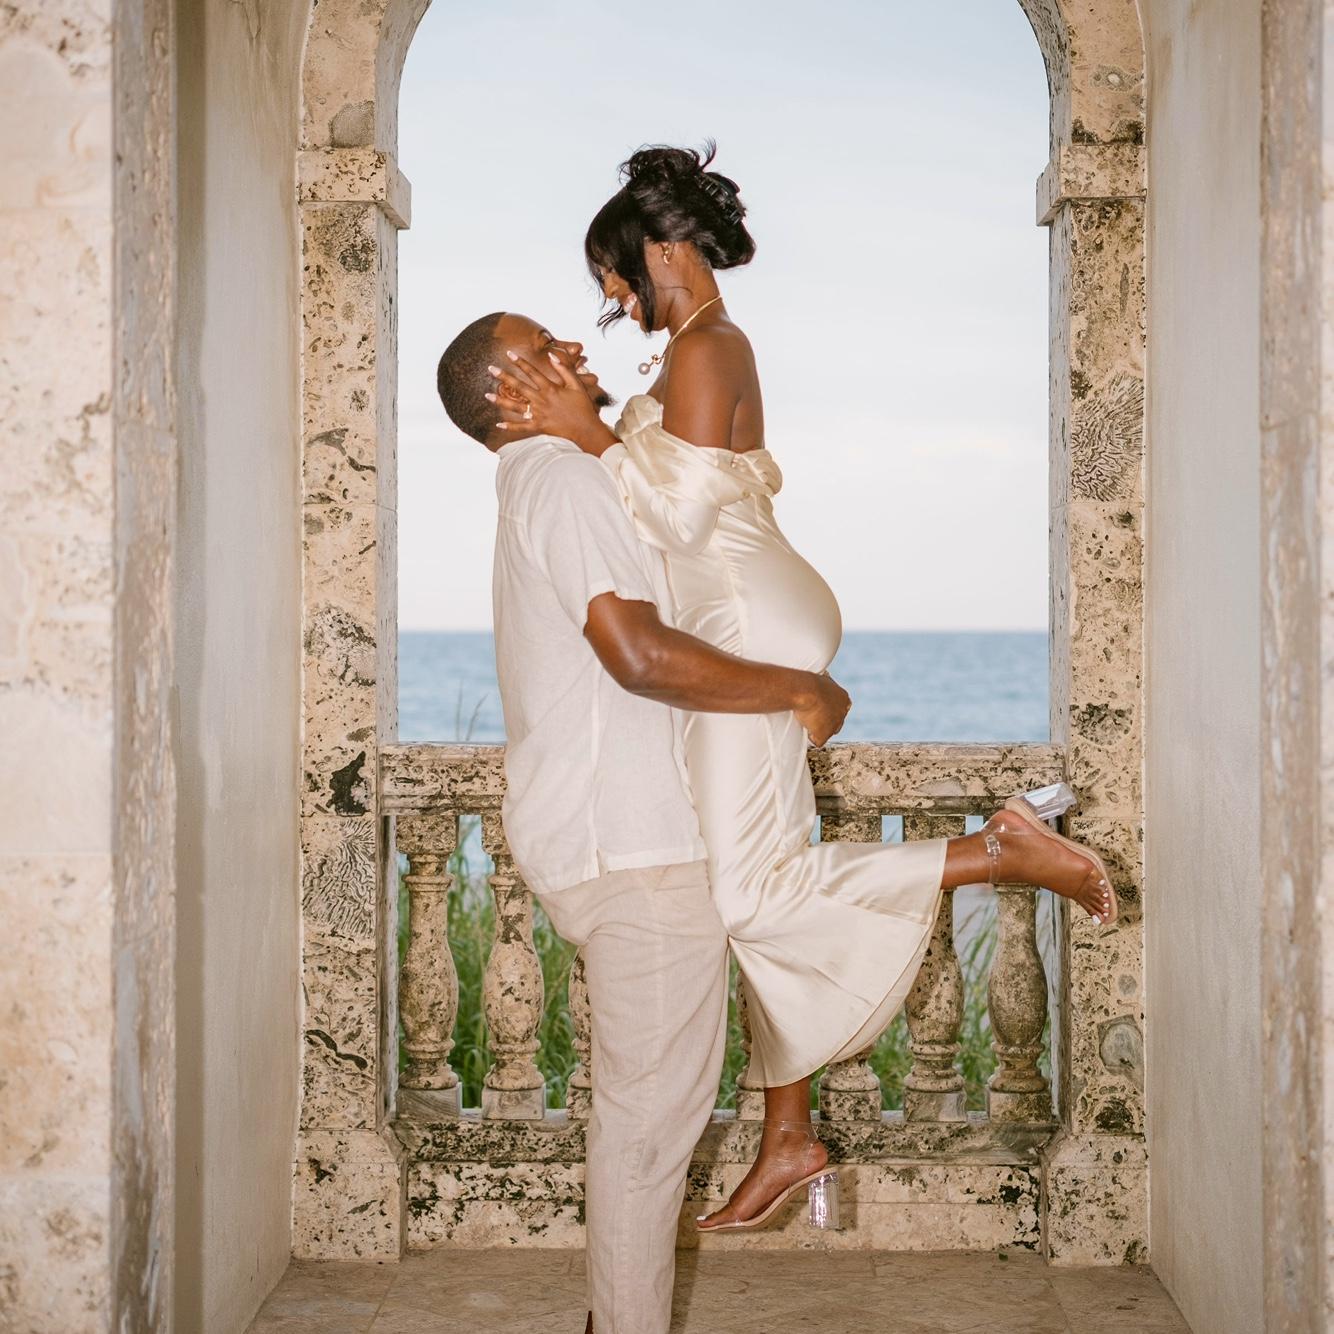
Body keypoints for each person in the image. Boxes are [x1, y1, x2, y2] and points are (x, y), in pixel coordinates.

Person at [484, 142, 1117, 1242]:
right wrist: (584, 434)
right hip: (738, 610)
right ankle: (788, 1130)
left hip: (742, 612)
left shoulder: (708, 346)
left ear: (661, 249)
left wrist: (583, 432)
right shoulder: (691, 349)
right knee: (743, 870)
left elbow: (676, 520)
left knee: (743, 893)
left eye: (614, 274)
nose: (610, 300)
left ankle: (997, 851)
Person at [436, 310, 852, 1334]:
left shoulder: (556, 478)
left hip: (611, 842)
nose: (575, 352)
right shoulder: (562, 482)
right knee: (646, 1133)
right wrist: (797, 687)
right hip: (635, 853)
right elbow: (637, 653)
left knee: (644, 1120)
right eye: (547, 348)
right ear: (505, 394)